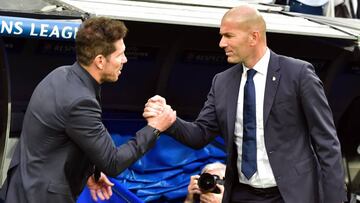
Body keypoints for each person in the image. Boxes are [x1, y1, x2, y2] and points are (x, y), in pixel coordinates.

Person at [144, 4, 347, 203]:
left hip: (290, 195)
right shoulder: (221, 82)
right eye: (221, 36)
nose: (221, 43)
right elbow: (200, 134)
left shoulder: (298, 74)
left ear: (254, 36)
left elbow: (327, 144)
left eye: (229, 36)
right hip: (242, 194)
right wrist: (169, 120)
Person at [0, 17, 175, 203]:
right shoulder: (81, 101)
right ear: (100, 61)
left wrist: (90, 172)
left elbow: (59, 142)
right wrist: (154, 128)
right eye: (120, 55)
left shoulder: (60, 75)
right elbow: (113, 162)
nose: (125, 59)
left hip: (22, 190)